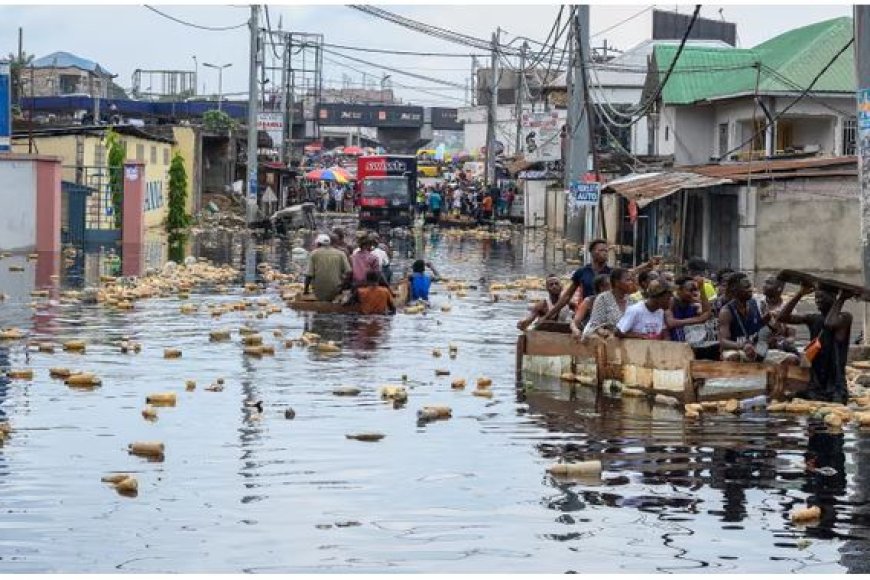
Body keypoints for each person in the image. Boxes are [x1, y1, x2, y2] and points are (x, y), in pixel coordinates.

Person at [777, 282, 853, 403]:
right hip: (816, 386)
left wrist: (841, 298)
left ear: (833, 297)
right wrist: (800, 294)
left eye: (821, 297)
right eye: (816, 297)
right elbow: (782, 317)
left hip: (835, 387)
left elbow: (829, 324)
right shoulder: (813, 318)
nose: (817, 300)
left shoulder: (844, 318)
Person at [544, 239, 611, 319]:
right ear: (592, 252)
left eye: (606, 251)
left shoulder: (612, 273)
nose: (605, 253)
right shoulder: (582, 272)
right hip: (586, 313)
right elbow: (567, 296)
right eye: (601, 250)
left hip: (607, 313)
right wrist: (547, 316)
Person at [718, 273, 770, 362]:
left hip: (756, 349)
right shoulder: (726, 312)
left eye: (750, 286)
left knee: (791, 359)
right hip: (736, 349)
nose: (750, 290)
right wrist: (743, 346)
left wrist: (768, 321)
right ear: (735, 290)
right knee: (733, 357)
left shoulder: (756, 304)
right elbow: (723, 341)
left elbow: (760, 329)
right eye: (746, 287)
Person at [581, 268, 635, 339]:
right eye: (627, 280)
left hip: (629, 342)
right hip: (605, 342)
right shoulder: (603, 298)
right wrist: (608, 333)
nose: (631, 283)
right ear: (617, 282)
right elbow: (596, 325)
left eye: (631, 280)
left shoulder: (632, 301)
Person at [303, 234, 351, 302]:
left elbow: (308, 275)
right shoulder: (341, 253)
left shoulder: (314, 254)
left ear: (318, 244)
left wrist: (305, 291)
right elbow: (348, 272)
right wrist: (342, 287)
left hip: (319, 292)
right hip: (336, 290)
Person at [667, 275, 712, 343]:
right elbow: (671, 323)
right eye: (690, 290)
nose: (694, 293)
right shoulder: (671, 301)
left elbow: (707, 314)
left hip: (692, 345)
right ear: (679, 290)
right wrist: (698, 320)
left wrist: (702, 289)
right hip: (675, 345)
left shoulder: (695, 304)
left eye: (696, 290)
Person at [569, 273, 611, 340]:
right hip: (588, 337)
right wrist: (575, 330)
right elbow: (574, 322)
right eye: (610, 286)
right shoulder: (589, 301)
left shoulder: (615, 303)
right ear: (601, 288)